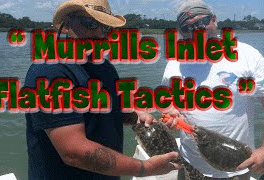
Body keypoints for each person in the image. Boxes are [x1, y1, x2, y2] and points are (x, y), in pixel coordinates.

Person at [24, 0, 180, 179]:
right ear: (66, 25)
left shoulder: (104, 68)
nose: (99, 33)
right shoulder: (50, 71)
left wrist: (136, 116)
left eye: (106, 27)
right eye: (90, 24)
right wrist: (144, 168)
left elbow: (106, 112)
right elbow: (73, 151)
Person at [162, 0, 264, 179]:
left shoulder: (246, 55)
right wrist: (170, 111)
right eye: (187, 27)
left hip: (236, 166)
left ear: (214, 20)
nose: (197, 30)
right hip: (190, 165)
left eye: (201, 22)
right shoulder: (175, 63)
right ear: (181, 32)